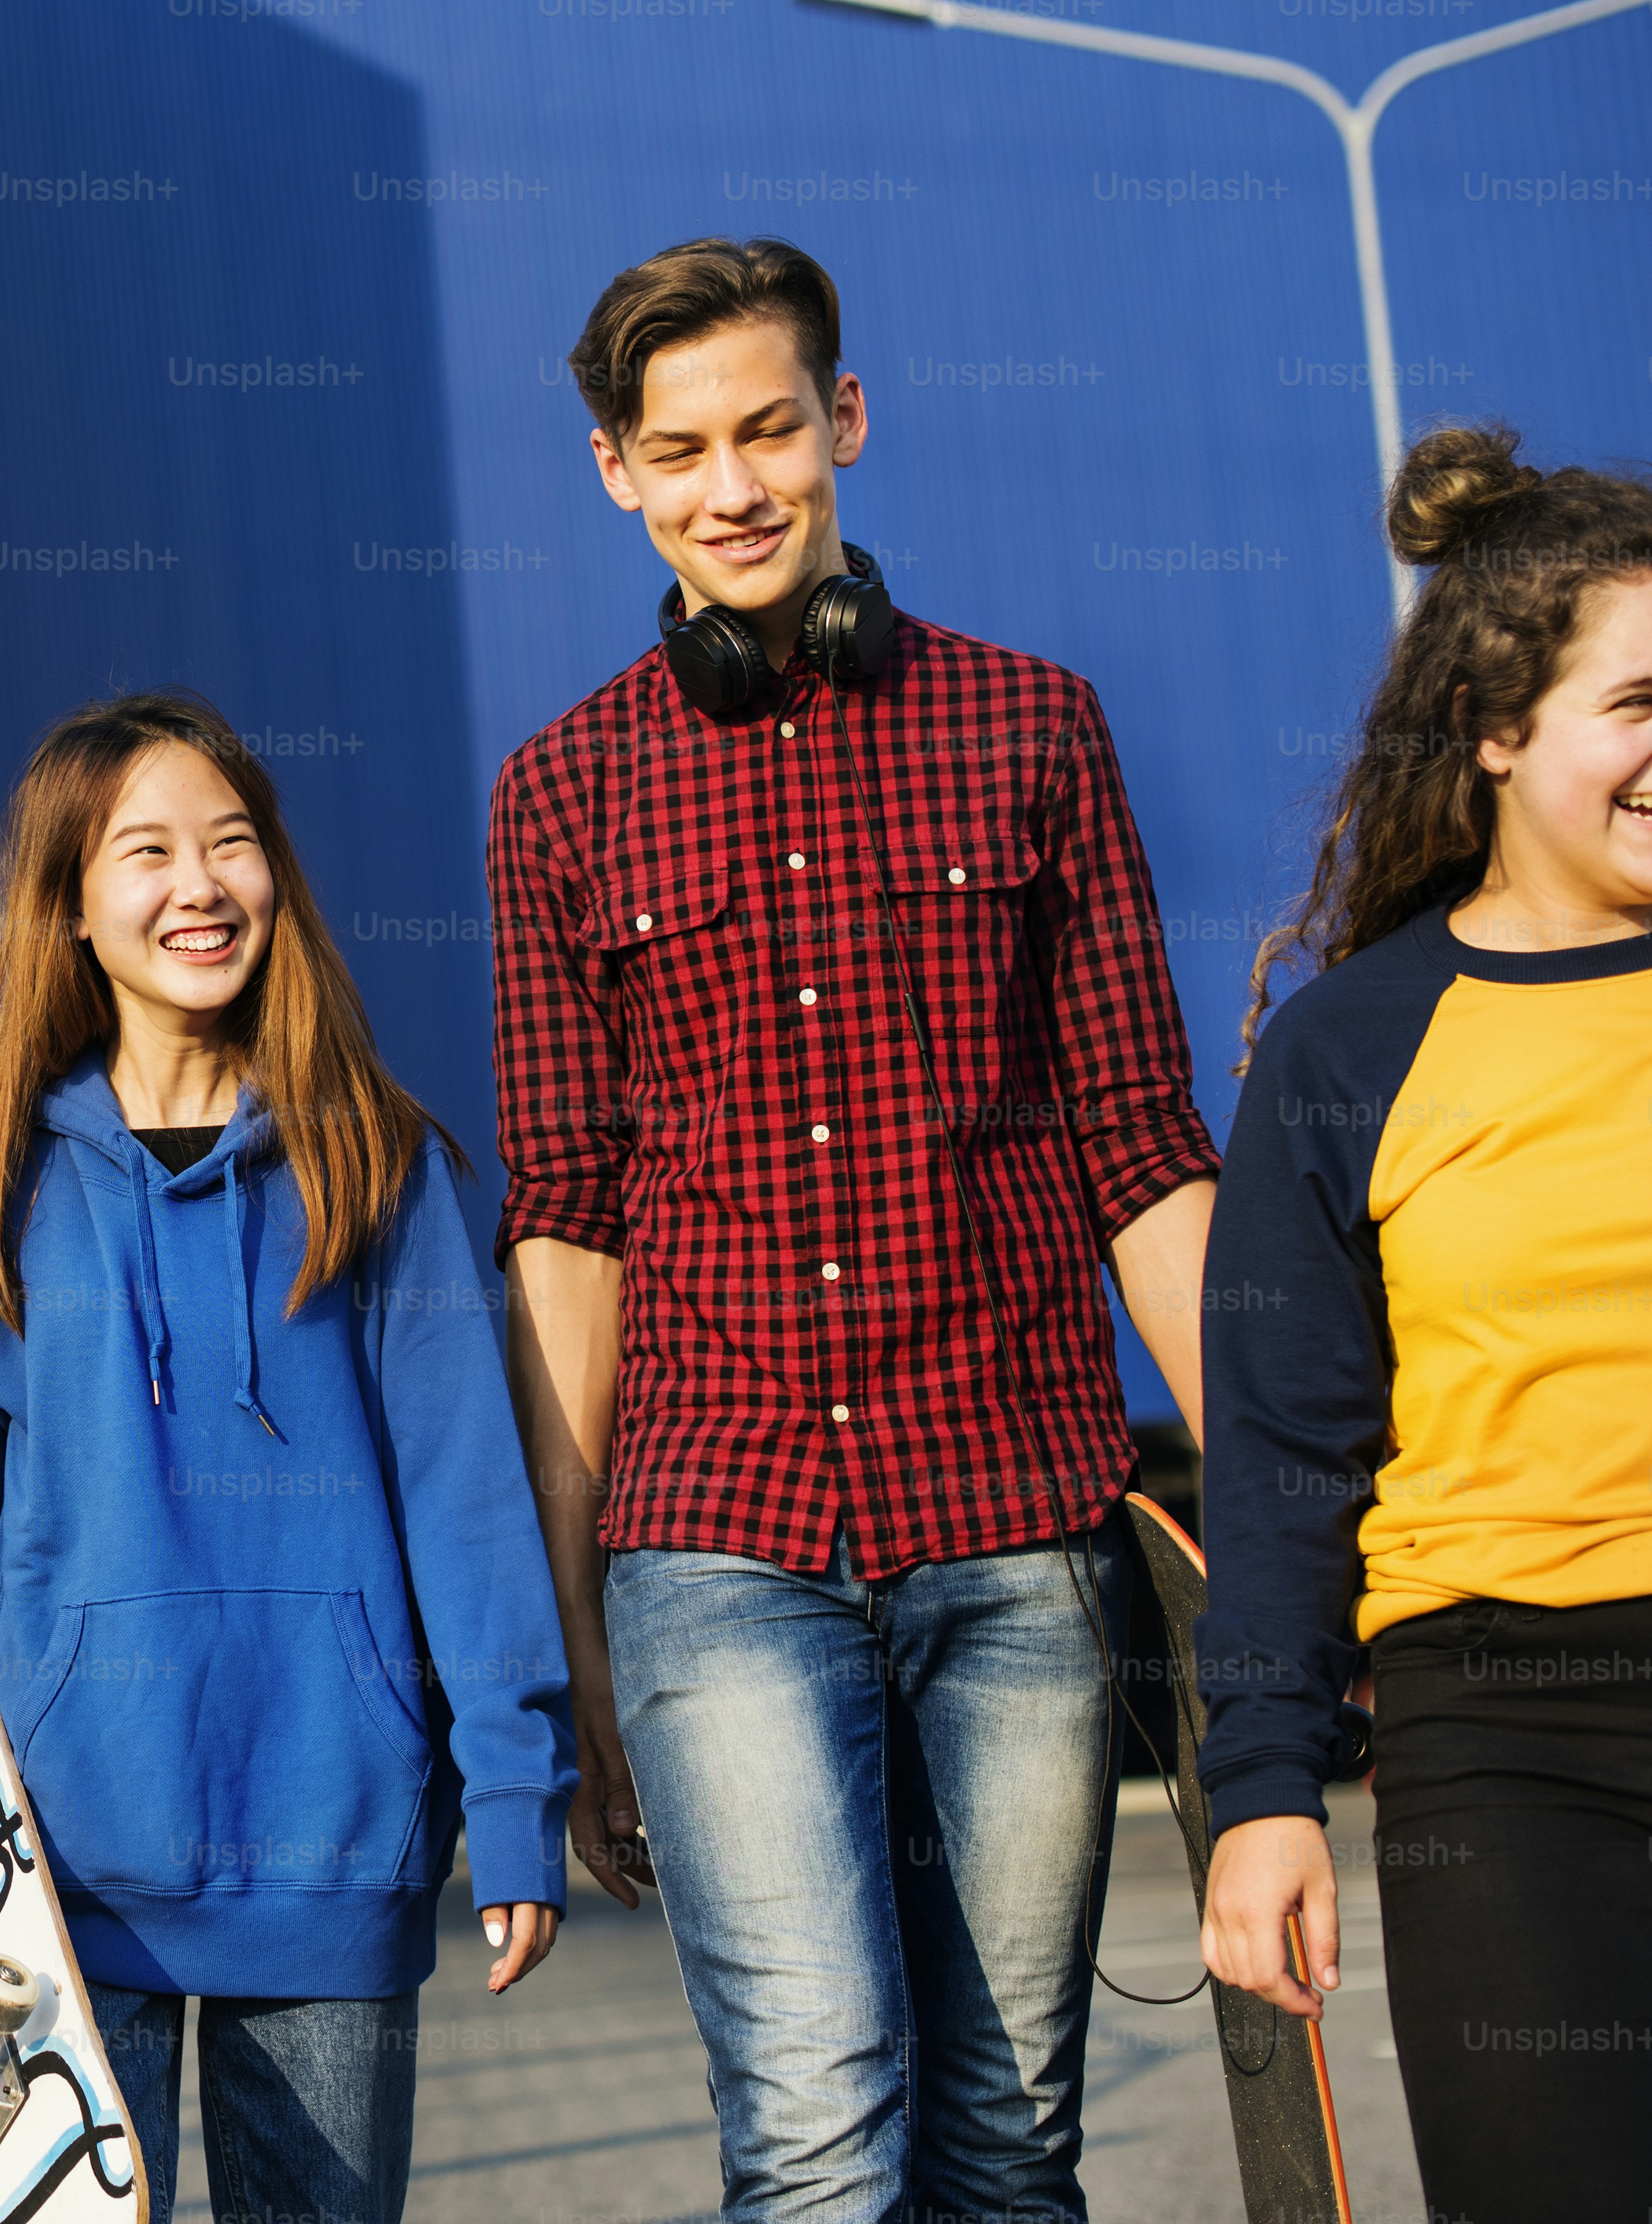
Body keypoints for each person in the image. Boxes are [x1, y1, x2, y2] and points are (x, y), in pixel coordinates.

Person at [489, 238, 1219, 2219]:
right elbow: (568, 1222)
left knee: (1007, 2137)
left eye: (769, 428)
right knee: (817, 2128)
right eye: (681, 447)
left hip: (1017, 1513)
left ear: (847, 422)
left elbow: (1144, 1148)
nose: (734, 484)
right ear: (613, 472)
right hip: (717, 1537)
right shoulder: (558, 794)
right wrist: (574, 1628)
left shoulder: (1037, 731)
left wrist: (1293, 1521)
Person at [0, 688, 574, 2224]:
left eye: (233, 844)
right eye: (146, 850)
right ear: (73, 909)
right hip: (52, 1883)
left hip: (335, 1850)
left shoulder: (380, 1161)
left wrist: (514, 1788)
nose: (199, 885)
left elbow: (467, 1501)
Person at [1199, 429, 1652, 2223]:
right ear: (1498, 729)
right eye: (1640, 699)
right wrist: (1265, 1788)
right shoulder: (1351, 1049)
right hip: (1503, 1744)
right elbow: (1286, 1454)